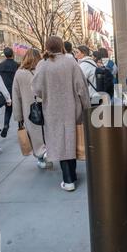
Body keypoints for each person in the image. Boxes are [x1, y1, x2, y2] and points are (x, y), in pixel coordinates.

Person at [32, 36, 90, 191]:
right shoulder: (71, 61)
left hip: (52, 110)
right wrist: (87, 107)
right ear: (61, 46)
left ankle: (69, 179)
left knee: (60, 142)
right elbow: (82, 88)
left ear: (47, 47)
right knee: (70, 139)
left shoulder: (43, 65)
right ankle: (71, 175)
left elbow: (36, 89)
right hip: (72, 108)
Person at [12, 49, 52, 169]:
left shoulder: (19, 73)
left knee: (34, 135)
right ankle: (48, 151)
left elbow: (16, 95)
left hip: (29, 110)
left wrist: (18, 116)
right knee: (47, 131)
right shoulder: (44, 70)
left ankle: (41, 156)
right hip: (46, 106)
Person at [0, 47, 19, 138]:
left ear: (5, 55)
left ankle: (6, 125)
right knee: (18, 109)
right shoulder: (17, 65)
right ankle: (20, 126)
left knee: (8, 110)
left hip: (5, 91)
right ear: (12, 54)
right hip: (15, 90)